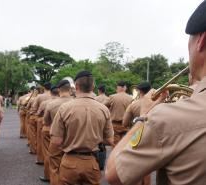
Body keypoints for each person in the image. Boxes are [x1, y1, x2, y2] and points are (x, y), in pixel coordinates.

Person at [105, 1, 206, 185]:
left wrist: (144, 117)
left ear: (201, 41)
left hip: (125, 140)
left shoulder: (167, 117)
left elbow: (113, 172)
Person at [50, 71, 114, 185]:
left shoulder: (65, 108)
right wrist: (94, 139)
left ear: (76, 86)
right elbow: (110, 140)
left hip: (69, 162)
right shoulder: (104, 109)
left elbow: (56, 141)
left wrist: (72, 140)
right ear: (93, 86)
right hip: (92, 163)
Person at [43, 80, 73, 184]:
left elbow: (45, 122)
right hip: (74, 139)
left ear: (59, 89)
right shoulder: (77, 102)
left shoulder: (51, 104)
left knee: (55, 167)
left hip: (56, 139)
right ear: (70, 89)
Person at [105, 81, 133, 145]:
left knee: (115, 146)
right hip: (127, 125)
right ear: (125, 88)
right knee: (125, 145)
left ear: (118, 88)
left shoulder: (112, 97)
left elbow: (103, 106)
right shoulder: (131, 98)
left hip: (115, 125)